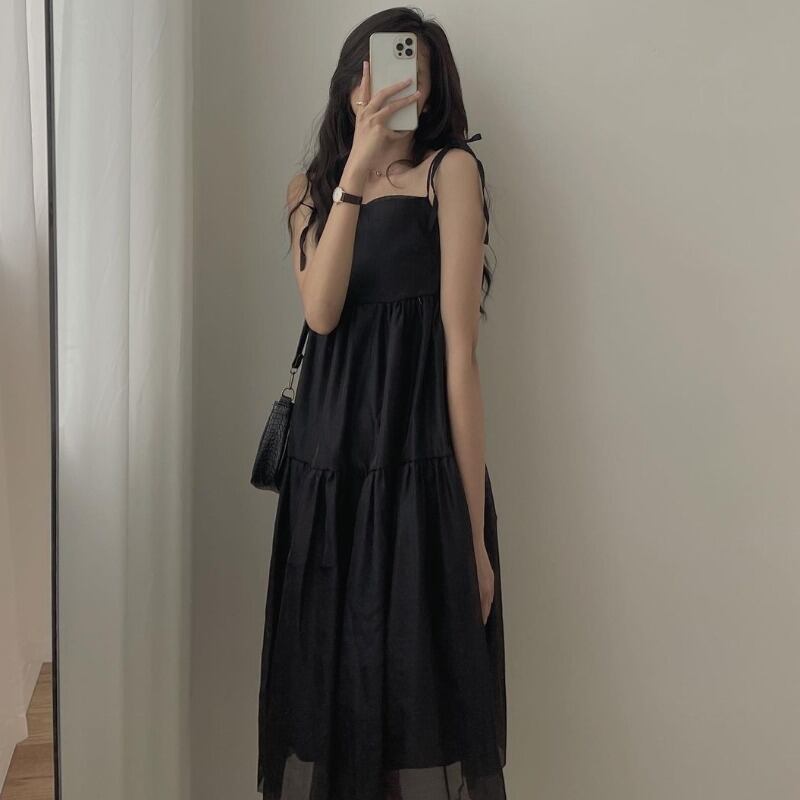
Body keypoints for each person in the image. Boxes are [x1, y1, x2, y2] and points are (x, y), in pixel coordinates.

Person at [257, 9, 507, 800]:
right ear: (352, 82)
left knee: (416, 694)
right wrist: (356, 174)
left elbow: (460, 357)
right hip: (328, 471)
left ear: (431, 94)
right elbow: (322, 311)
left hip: (416, 469)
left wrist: (473, 533)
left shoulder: (449, 173)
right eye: (382, 70)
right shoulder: (308, 192)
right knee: (330, 694)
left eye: (414, 74)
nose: (397, 88)